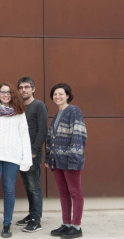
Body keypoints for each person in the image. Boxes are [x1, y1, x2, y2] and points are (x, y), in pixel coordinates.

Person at [0, 82, 32, 238]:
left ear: (12, 94)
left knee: (9, 190)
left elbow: (24, 136)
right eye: (2, 92)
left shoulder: (19, 112)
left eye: (8, 92)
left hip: (12, 156)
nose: (5, 95)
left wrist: (25, 159)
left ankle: (7, 225)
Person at [46, 83, 87, 239]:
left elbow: (79, 135)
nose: (57, 97)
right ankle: (67, 224)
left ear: (68, 95)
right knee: (63, 193)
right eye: (55, 94)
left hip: (71, 161)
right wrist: (49, 157)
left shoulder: (74, 111)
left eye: (61, 94)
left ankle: (76, 227)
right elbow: (51, 139)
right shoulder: (58, 114)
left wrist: (74, 158)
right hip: (57, 161)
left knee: (75, 192)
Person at [16, 77, 48, 233]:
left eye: (27, 87)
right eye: (21, 87)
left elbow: (43, 131)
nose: (24, 90)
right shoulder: (20, 107)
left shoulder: (39, 106)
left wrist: (34, 151)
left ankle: (36, 219)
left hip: (32, 154)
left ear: (33, 89)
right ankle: (31, 214)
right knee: (28, 186)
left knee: (34, 186)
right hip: (20, 154)